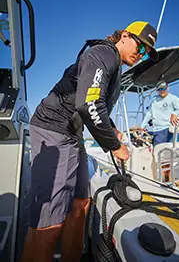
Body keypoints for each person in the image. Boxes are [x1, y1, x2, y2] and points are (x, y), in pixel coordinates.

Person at [21, 21, 159, 262]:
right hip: (54, 131)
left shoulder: (115, 66)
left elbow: (99, 105)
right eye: (141, 46)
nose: (142, 54)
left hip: (73, 134)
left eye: (147, 52)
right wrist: (115, 146)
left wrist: (112, 129)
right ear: (125, 36)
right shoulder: (103, 54)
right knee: (48, 225)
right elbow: (89, 104)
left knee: (81, 203)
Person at [141, 80, 179, 147]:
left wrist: (175, 113)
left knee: (158, 150)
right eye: (159, 89)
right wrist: (141, 127)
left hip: (166, 130)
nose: (162, 91)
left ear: (167, 88)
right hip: (155, 130)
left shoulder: (173, 99)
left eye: (164, 88)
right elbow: (149, 114)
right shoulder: (154, 99)